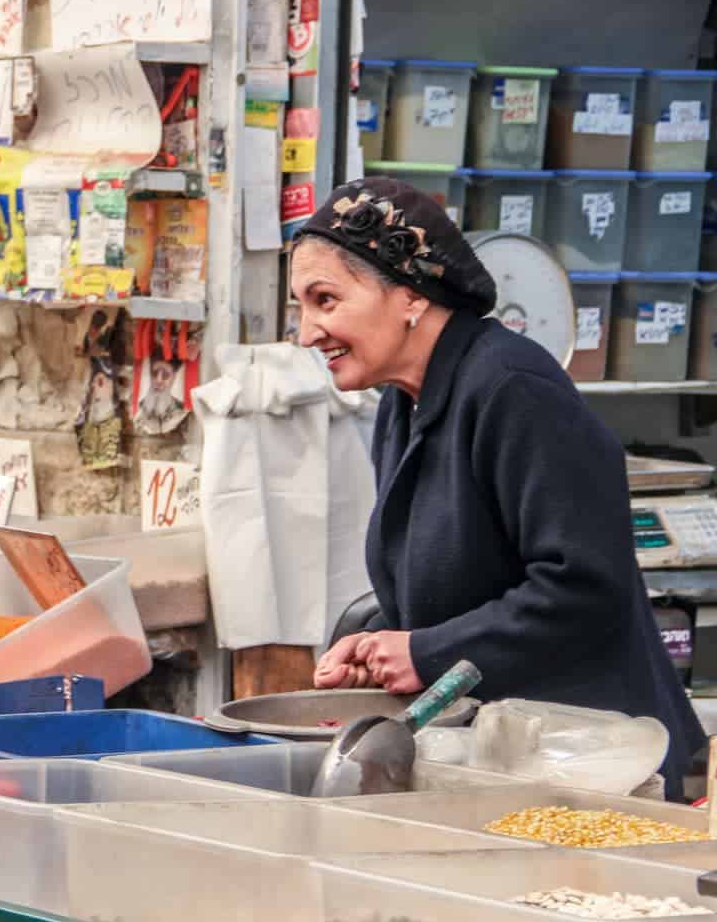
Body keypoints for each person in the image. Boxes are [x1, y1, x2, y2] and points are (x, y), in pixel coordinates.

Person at [294, 176, 706, 789]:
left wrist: (427, 654)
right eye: (300, 308)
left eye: (325, 301)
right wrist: (376, 644)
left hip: (600, 767)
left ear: (408, 294)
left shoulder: (514, 391)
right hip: (500, 758)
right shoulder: (402, 406)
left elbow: (584, 586)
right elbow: (464, 581)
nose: (307, 332)